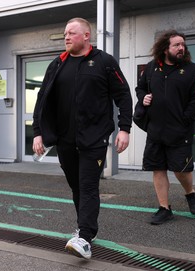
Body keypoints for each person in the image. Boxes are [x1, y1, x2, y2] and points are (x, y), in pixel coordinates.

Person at [32, 18, 132, 259]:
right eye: (65, 33)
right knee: (76, 186)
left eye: (72, 33)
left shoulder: (104, 62)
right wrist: (38, 132)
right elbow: (42, 99)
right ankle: (88, 228)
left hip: (94, 138)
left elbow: (123, 96)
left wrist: (124, 128)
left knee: (88, 186)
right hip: (65, 140)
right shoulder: (58, 64)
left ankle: (84, 238)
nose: (66, 37)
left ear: (87, 36)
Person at [135, 30, 195, 225]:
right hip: (155, 130)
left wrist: (185, 119)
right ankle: (164, 208)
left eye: (183, 44)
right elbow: (140, 88)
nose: (181, 48)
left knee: (181, 170)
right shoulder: (151, 69)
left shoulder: (193, 70)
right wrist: (143, 97)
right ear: (165, 48)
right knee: (158, 168)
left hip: (179, 130)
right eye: (177, 45)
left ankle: (190, 193)